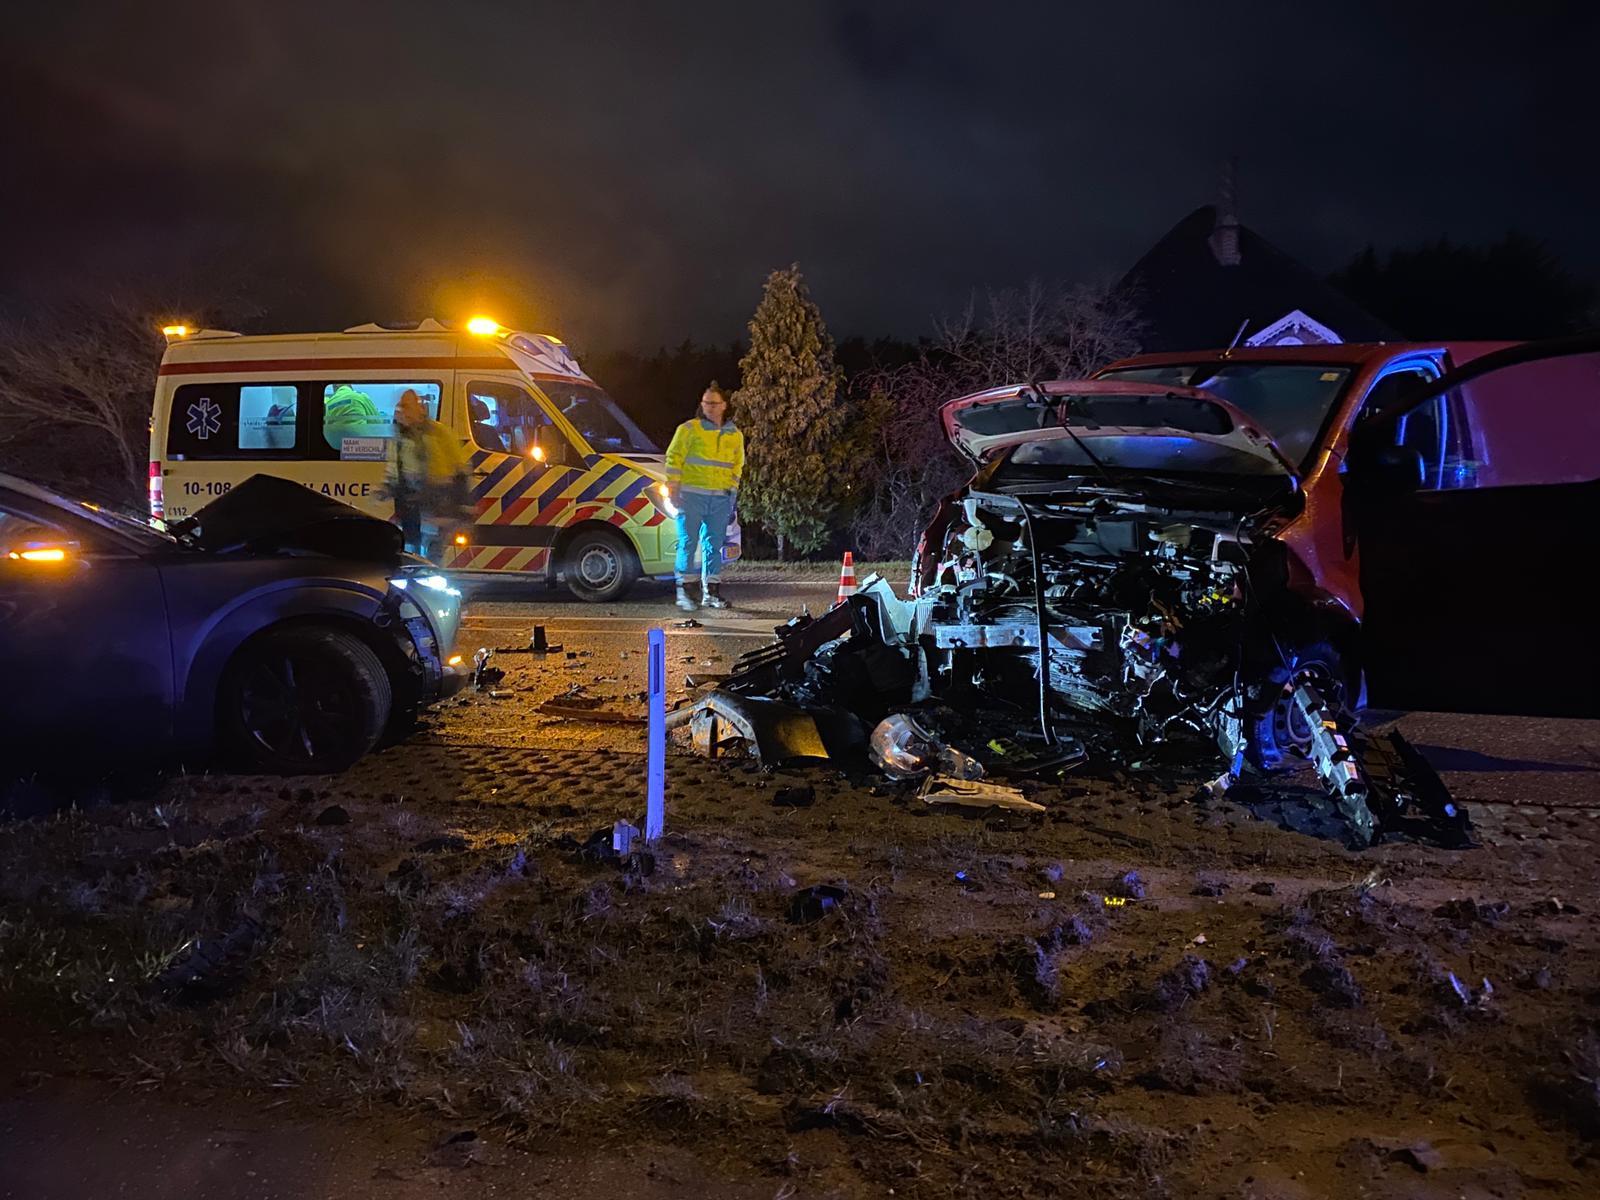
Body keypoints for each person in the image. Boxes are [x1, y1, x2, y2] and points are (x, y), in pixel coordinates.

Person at [664, 382, 744, 610]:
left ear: (724, 405)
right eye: (706, 403)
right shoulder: (689, 429)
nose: (709, 407)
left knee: (714, 545)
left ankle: (711, 593)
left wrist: (731, 492)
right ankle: (686, 593)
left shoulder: (734, 435)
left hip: (719, 498)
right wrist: (673, 487)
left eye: (713, 403)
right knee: (688, 543)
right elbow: (674, 458)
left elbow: (737, 466)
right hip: (690, 497)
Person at [384, 389, 470, 560]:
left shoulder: (439, 433)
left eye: (407, 407)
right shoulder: (400, 439)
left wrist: (463, 504)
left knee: (433, 551)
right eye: (401, 407)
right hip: (410, 506)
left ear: (420, 408)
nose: (403, 412)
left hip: (436, 503)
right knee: (410, 552)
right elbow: (394, 470)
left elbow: (460, 467)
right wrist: (386, 488)